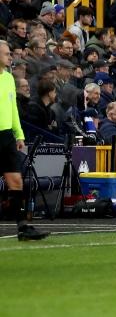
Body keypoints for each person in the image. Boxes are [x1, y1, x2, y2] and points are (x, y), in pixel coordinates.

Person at [0, 41, 48, 240]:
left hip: (6, 137)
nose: (10, 57)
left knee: (16, 181)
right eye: (6, 53)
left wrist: (18, 134)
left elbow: (12, 109)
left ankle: (23, 227)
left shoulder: (9, 78)